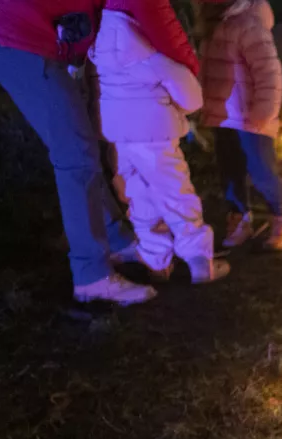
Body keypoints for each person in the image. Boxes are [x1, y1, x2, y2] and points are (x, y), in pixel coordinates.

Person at [0, 1, 155, 304]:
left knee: (79, 147)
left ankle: (115, 239)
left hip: (38, 36)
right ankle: (91, 275)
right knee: (74, 151)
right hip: (20, 34)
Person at [90, 0, 229, 284]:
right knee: (174, 192)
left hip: (121, 135)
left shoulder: (103, 44)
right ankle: (199, 259)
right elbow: (189, 93)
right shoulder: (143, 52)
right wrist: (189, 105)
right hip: (153, 134)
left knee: (139, 194)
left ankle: (156, 257)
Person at [197, 0, 282, 252]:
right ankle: (239, 217)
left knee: (261, 170)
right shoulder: (213, 25)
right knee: (230, 171)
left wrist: (265, 111)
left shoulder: (248, 24)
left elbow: (269, 72)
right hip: (222, 116)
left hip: (250, 117)